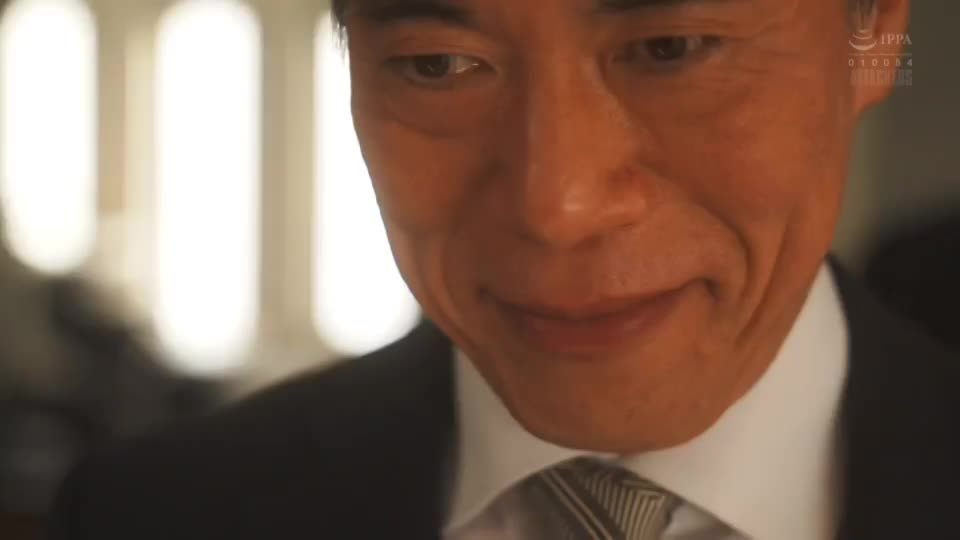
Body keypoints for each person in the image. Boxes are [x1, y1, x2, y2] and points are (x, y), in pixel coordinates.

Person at [47, 0, 959, 539]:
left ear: (874, 32)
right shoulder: (154, 514)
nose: (555, 205)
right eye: (437, 64)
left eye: (670, 49)